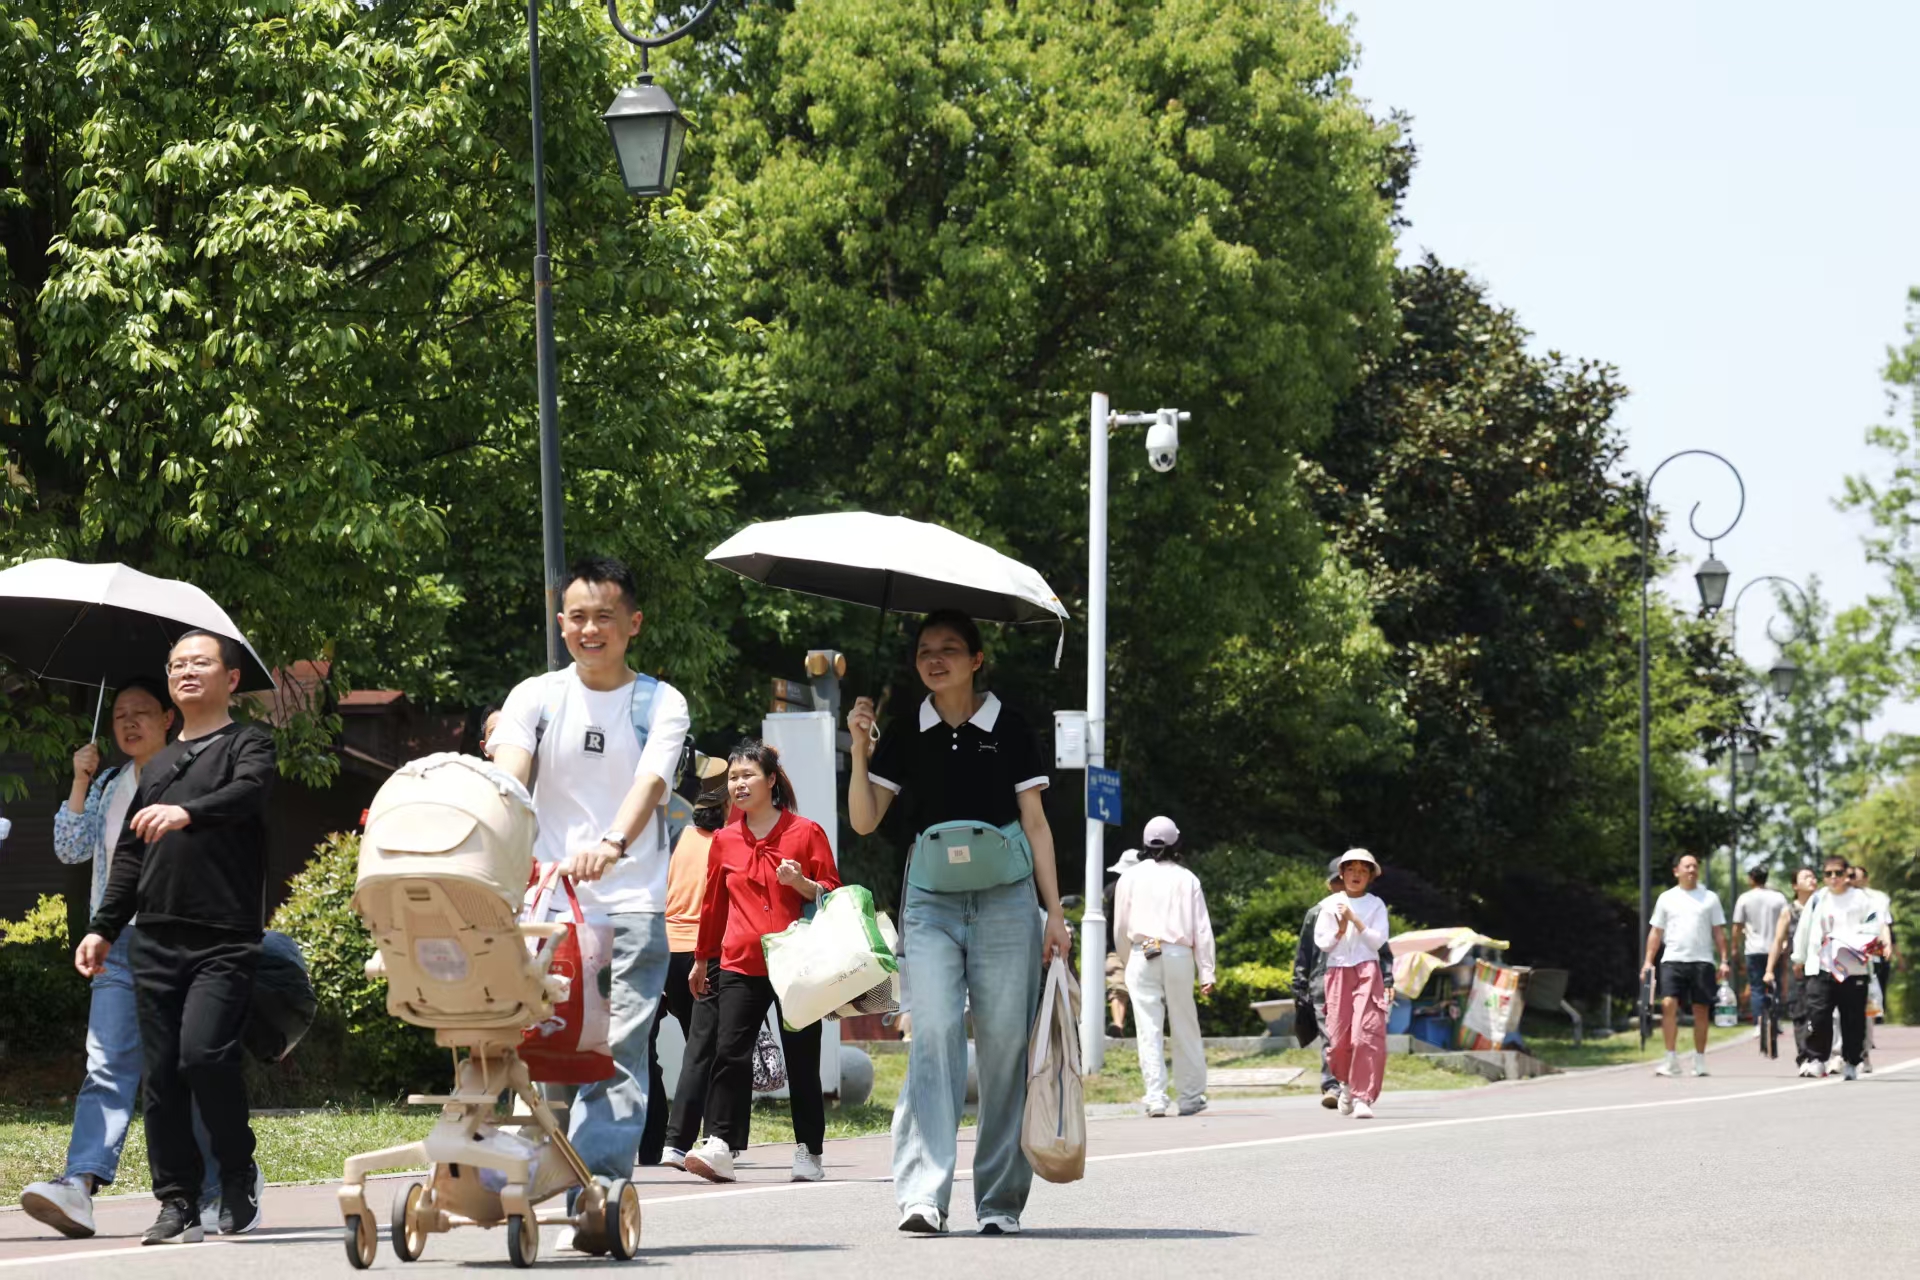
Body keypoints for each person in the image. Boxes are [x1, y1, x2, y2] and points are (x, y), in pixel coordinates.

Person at [847, 609, 1072, 1237]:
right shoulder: (905, 729)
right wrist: (861, 749)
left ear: (976, 660)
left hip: (1006, 902)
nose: (935, 659)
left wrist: (1054, 913)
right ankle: (923, 1195)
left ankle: (999, 1202)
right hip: (930, 905)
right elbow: (864, 820)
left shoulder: (1011, 726)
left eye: (949, 648)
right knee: (934, 1035)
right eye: (925, 650)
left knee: (1004, 1048)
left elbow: (1036, 825)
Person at [489, 557, 691, 1195]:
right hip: (548, 908)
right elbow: (511, 774)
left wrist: (611, 843)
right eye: (577, 617)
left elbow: (650, 783)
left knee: (615, 1052)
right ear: (561, 623)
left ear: (634, 623)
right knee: (545, 1054)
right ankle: (544, 1176)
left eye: (605, 616)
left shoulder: (660, 702)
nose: (590, 629)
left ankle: (595, 1192)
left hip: (630, 901)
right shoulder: (536, 696)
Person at [74, 631, 276, 1245]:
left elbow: (248, 793)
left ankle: (237, 1174)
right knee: (161, 1077)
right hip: (154, 939)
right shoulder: (158, 766)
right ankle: (177, 1199)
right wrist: (103, 928)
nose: (187, 671)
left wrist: (189, 812)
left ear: (230, 679)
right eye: (178, 664)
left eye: (201, 663)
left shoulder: (248, 743)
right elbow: (129, 857)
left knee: (203, 1055)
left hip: (224, 935)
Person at [23, 680, 222, 1239]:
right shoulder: (110, 784)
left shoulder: (194, 775)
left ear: (168, 718)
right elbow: (70, 848)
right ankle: (79, 1184)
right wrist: (80, 780)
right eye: (119, 716)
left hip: (181, 942)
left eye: (141, 713)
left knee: (186, 1068)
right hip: (117, 942)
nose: (129, 723)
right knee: (106, 1065)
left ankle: (221, 1183)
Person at [679, 741, 840, 1184]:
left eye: (748, 775)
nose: (739, 784)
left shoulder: (806, 832)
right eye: (733, 777)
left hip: (798, 965)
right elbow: (713, 905)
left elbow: (833, 892)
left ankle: (809, 1151)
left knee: (802, 1060)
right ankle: (720, 1146)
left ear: (771, 780)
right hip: (740, 961)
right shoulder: (724, 840)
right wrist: (701, 959)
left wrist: (802, 883)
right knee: (729, 1055)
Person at [646, 757, 729, 1169]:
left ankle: (655, 1142)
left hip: (666, 950)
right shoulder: (728, 844)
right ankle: (702, 1141)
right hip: (705, 952)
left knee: (649, 1052)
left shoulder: (672, 838)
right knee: (705, 1053)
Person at [1112, 817, 1216, 1118]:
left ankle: (1155, 1098)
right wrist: (1207, 970)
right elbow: (1202, 929)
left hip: (1142, 951)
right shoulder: (1187, 878)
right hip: (1178, 953)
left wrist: (1127, 960)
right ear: (1176, 843)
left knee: (1148, 1028)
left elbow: (1120, 926)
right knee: (1185, 1024)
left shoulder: (1129, 877)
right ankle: (1190, 1097)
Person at [1293, 859, 1395, 1109]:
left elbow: (1381, 948)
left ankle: (1347, 1089)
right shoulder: (1318, 911)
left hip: (1362, 975)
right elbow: (1304, 951)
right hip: (1323, 981)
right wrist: (1299, 985)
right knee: (1334, 1038)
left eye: (1362, 872)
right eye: (1346, 874)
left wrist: (1387, 978)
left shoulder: (1373, 906)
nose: (1350, 881)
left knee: (1361, 1035)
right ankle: (1335, 1085)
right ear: (1334, 882)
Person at [1640, 852, 1731, 1078]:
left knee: (1701, 1010)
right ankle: (1671, 1059)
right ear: (1676, 871)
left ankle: (1699, 1060)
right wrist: (1648, 961)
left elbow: (1718, 932)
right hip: (1672, 959)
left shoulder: (1710, 898)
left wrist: (1724, 960)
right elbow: (1656, 932)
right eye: (1687, 866)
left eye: (1695, 866)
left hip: (1702, 961)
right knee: (1668, 1004)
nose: (1692, 870)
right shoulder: (1666, 898)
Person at [1791, 855, 1880, 1080]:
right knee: (1818, 1014)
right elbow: (1804, 929)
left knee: (1852, 1018)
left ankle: (1851, 1061)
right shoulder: (1818, 899)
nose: (1833, 878)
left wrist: (1854, 942)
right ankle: (1817, 1059)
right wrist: (1799, 958)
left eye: (1838, 873)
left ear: (1847, 874)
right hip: (1822, 966)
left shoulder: (1861, 899)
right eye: (1828, 873)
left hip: (1853, 967)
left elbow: (1873, 927)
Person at [1764, 867, 1820, 1074]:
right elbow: (1778, 941)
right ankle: (1805, 1056)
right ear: (1795, 886)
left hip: (1821, 966)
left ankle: (1823, 1055)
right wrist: (1769, 970)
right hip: (1796, 968)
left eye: (1813, 876)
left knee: (1821, 1012)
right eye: (1806, 877)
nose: (1812, 879)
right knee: (1800, 1012)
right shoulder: (1789, 911)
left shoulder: (1823, 906)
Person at [1731, 866, 1788, 1026]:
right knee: (1775, 985)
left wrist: (1734, 947)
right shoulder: (1779, 898)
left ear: (1751, 879)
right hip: (1775, 948)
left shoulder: (1744, 898)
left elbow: (1737, 926)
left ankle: (1759, 1023)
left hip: (1753, 949)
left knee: (1756, 988)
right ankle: (1775, 1021)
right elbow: (1786, 921)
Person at [1102, 848, 1146, 1036]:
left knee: (1120, 985)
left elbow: (1104, 921)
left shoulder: (1111, 890)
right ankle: (1119, 1026)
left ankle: (1120, 1024)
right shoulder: (1150, 890)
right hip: (1142, 944)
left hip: (1120, 945)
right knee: (1143, 985)